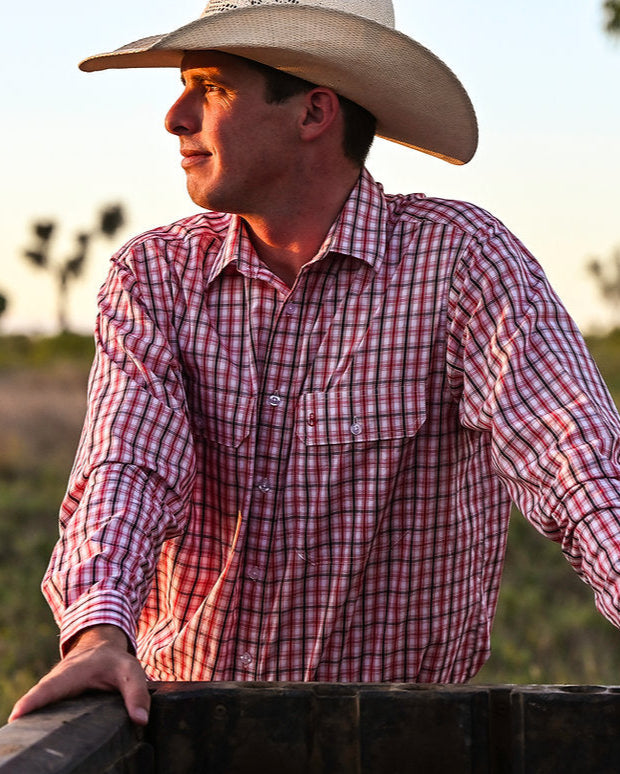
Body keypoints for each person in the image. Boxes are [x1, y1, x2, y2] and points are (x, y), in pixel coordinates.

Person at [10, 0, 620, 728]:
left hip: (402, 741)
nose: (175, 117)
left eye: (211, 87)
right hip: (182, 732)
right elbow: (126, 471)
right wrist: (97, 632)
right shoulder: (155, 278)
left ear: (313, 113)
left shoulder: (461, 264)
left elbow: (577, 463)